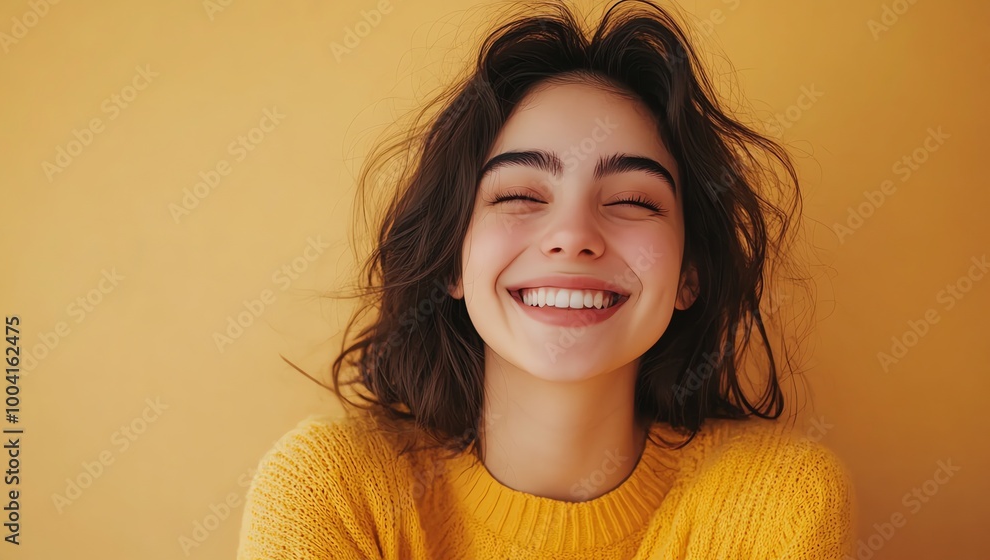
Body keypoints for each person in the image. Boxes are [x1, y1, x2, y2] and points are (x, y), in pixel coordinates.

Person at [237, 1, 856, 558]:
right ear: (453, 258)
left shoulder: (776, 505)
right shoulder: (332, 487)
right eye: (521, 194)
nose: (573, 233)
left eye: (634, 200)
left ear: (689, 273)